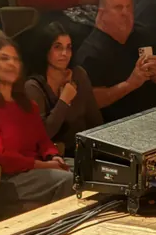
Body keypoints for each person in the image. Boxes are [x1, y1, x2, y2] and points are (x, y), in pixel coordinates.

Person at [0, 38, 74, 209]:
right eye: (4, 58)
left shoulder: (27, 105)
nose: (11, 63)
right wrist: (43, 165)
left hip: (34, 169)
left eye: (15, 59)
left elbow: (43, 140)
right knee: (68, 179)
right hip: (4, 179)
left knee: (87, 168)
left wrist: (53, 156)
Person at [75, 0, 156, 122]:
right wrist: (130, 84)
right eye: (118, 8)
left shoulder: (143, 35)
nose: (126, 13)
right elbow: (90, 103)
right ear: (102, 14)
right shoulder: (91, 52)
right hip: (124, 126)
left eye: (129, 7)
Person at [24, 23, 102, 154]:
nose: (65, 53)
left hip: (85, 150)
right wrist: (64, 100)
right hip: (54, 156)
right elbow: (43, 135)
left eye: (69, 48)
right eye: (57, 47)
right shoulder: (33, 87)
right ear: (45, 49)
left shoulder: (78, 75)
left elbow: (94, 119)